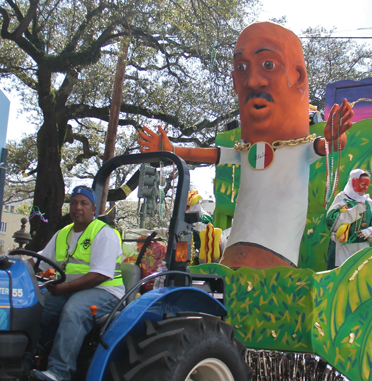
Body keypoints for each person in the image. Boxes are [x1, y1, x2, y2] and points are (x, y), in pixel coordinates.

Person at [138, 21, 354, 269]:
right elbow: (215, 155)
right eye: (242, 68)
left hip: (275, 257)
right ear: (234, 81)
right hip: (235, 254)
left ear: (297, 76)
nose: (252, 81)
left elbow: (330, 145)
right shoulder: (246, 152)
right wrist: (172, 150)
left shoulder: (299, 148)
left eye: (268, 65)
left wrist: (335, 135)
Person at [29, 186, 124, 381]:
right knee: (33, 306)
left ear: (93, 209)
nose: (77, 207)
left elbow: (100, 274)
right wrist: (21, 263)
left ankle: (58, 376)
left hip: (104, 292)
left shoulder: (104, 233)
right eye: (73, 202)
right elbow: (41, 259)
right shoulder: (63, 233)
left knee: (75, 310)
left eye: (83, 203)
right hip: (69, 290)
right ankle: (24, 363)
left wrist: (63, 288)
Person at [325, 169, 372, 268]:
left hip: (362, 249)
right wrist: (353, 212)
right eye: (362, 184)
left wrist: (370, 231)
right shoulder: (342, 199)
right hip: (342, 250)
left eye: (367, 185)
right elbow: (331, 222)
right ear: (353, 182)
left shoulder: (369, 202)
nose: (365, 188)